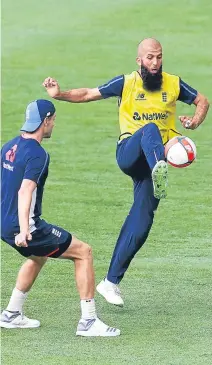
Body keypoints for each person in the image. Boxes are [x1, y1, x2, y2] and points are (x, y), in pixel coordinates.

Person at [43, 38, 209, 307]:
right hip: (131, 153)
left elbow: (202, 100)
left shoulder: (173, 83)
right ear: (139, 61)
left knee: (142, 221)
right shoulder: (126, 83)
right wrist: (58, 94)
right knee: (151, 130)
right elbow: (87, 93)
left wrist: (194, 121)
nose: (155, 63)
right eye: (150, 58)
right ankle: (160, 168)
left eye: (159, 57)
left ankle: (110, 282)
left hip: (153, 163)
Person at [0, 99, 120, 336]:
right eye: (53, 120)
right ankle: (88, 321)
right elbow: (25, 190)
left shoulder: (9, 147)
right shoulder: (38, 154)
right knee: (83, 252)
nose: (54, 124)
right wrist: (25, 229)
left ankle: (12, 313)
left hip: (3, 223)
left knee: (38, 257)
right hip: (24, 226)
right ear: (45, 120)